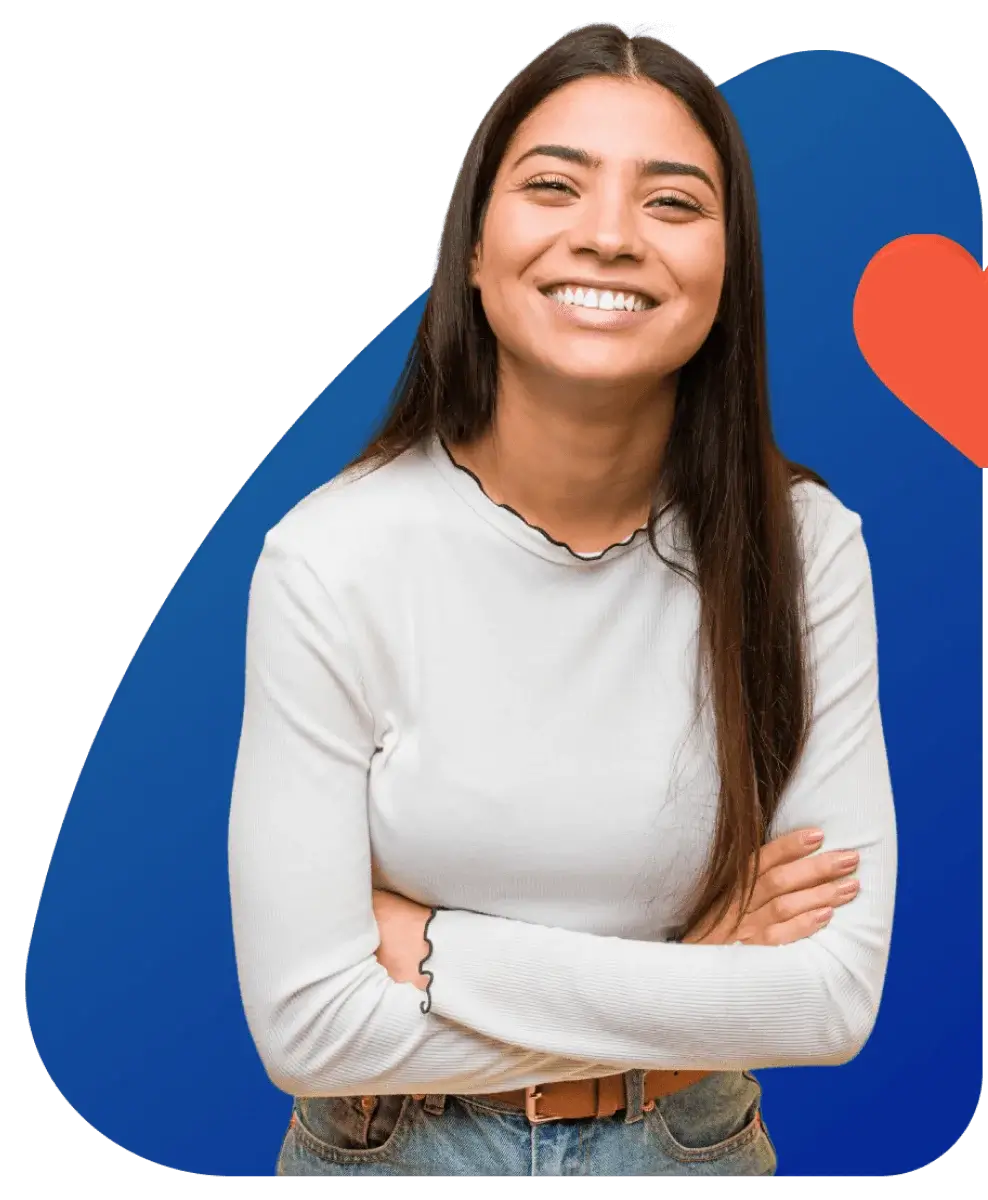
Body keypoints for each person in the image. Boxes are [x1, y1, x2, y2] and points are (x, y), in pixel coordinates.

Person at [227, 22, 897, 1181]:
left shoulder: (803, 551)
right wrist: (704, 972)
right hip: (390, 1155)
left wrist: (434, 950)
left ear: (726, 271)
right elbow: (308, 1032)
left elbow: (825, 1001)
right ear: (472, 250)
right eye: (553, 186)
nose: (609, 234)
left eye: (672, 202)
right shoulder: (329, 559)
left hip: (686, 1153)